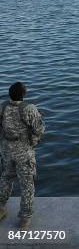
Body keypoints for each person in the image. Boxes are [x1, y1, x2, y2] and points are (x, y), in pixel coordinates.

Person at [0, 82, 45, 229]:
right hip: (24, 152)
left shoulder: (3, 106)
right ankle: (25, 218)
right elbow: (39, 129)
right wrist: (34, 140)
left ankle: (0, 207)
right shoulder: (29, 108)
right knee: (27, 184)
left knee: (6, 177)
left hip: (6, 149)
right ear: (23, 94)